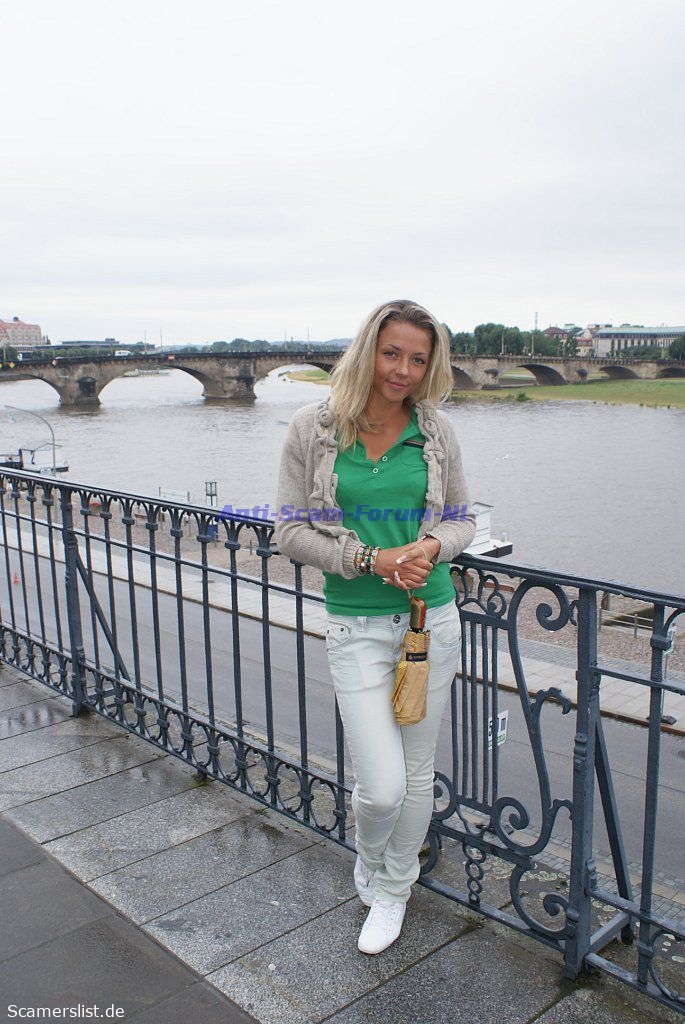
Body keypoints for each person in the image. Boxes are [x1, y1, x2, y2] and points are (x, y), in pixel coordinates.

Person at [274, 299, 475, 954]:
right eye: (392, 353)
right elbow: (289, 531)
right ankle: (370, 855)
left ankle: (393, 889)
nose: (403, 370)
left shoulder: (435, 431)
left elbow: (462, 519)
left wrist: (432, 547)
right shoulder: (313, 428)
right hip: (355, 625)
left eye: (418, 359)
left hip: (429, 622)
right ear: (367, 351)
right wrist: (370, 559)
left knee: (415, 775)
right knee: (381, 787)